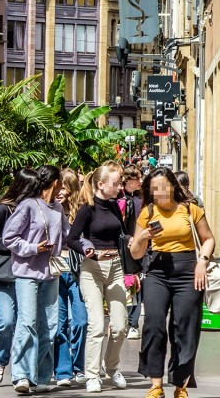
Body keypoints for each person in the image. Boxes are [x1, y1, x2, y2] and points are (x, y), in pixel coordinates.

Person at [130, 168, 216, 398]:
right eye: (154, 189)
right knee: (154, 325)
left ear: (172, 186)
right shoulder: (147, 212)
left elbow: (208, 239)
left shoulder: (190, 209)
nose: (159, 193)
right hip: (157, 271)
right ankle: (156, 386)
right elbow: (136, 254)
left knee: (184, 328)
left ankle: (181, 386)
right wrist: (142, 237)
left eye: (163, 187)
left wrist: (202, 262)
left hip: (189, 271)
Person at [2, 165, 68, 394]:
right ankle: (20, 375)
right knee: (27, 322)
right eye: (61, 181)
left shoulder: (58, 208)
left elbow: (68, 236)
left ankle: (40, 376)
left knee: (49, 326)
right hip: (27, 273)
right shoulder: (28, 206)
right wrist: (33, 247)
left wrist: (88, 245)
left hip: (51, 272)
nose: (63, 186)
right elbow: (9, 237)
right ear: (54, 182)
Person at [67, 162, 129, 393]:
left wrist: (131, 239)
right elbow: (71, 239)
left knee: (121, 325)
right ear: (101, 185)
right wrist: (88, 249)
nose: (119, 187)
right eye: (116, 183)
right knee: (96, 325)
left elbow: (122, 233)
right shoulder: (87, 209)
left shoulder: (114, 207)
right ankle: (92, 374)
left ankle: (111, 367)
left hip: (115, 268)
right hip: (92, 269)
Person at [0, 168, 40, 387]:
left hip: (29, 272)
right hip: (5, 274)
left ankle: (20, 371)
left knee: (26, 324)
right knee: (6, 321)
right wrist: (15, 247)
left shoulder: (37, 208)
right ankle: (0, 360)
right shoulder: (4, 209)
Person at [53, 168, 88, 387]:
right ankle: (63, 371)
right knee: (58, 325)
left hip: (78, 269)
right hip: (56, 268)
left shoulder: (82, 211)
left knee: (81, 321)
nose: (59, 191)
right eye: (57, 186)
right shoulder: (50, 210)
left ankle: (78, 367)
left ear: (72, 188)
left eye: (63, 186)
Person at [122, 166, 144, 341]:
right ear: (129, 180)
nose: (141, 181)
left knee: (138, 283)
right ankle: (127, 320)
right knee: (129, 282)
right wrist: (128, 238)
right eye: (138, 178)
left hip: (143, 246)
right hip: (126, 247)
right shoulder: (121, 199)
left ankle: (133, 323)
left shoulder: (142, 198)